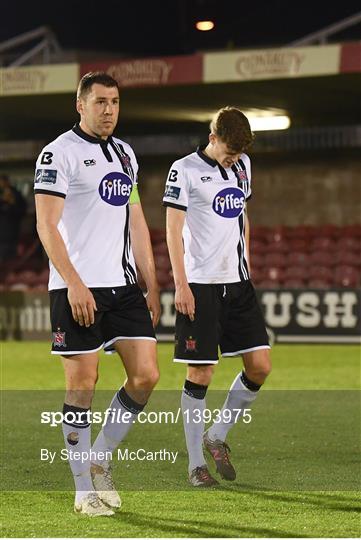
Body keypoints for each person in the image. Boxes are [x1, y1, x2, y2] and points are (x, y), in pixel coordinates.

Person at [34, 72, 160, 516]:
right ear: (80, 105)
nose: (109, 110)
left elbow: (137, 222)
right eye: (101, 102)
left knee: (146, 376)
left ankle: (100, 456)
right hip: (76, 288)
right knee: (82, 386)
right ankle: (83, 488)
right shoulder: (58, 153)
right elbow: (46, 226)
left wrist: (153, 280)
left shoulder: (125, 154)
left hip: (124, 287)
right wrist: (73, 282)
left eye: (115, 102)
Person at [163, 107, 271, 487]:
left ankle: (217, 435)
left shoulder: (244, 166)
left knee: (260, 366)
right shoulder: (185, 171)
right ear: (212, 137)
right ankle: (196, 464)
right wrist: (181, 284)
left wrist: (248, 261)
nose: (233, 160)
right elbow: (173, 231)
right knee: (201, 373)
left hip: (238, 283)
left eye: (238, 154)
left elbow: (242, 216)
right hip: (200, 286)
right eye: (228, 152)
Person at [0, 174, 27, 263]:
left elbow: (22, 209)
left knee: (11, 255)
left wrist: (11, 203)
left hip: (12, 228)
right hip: (3, 229)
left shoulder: (16, 194)